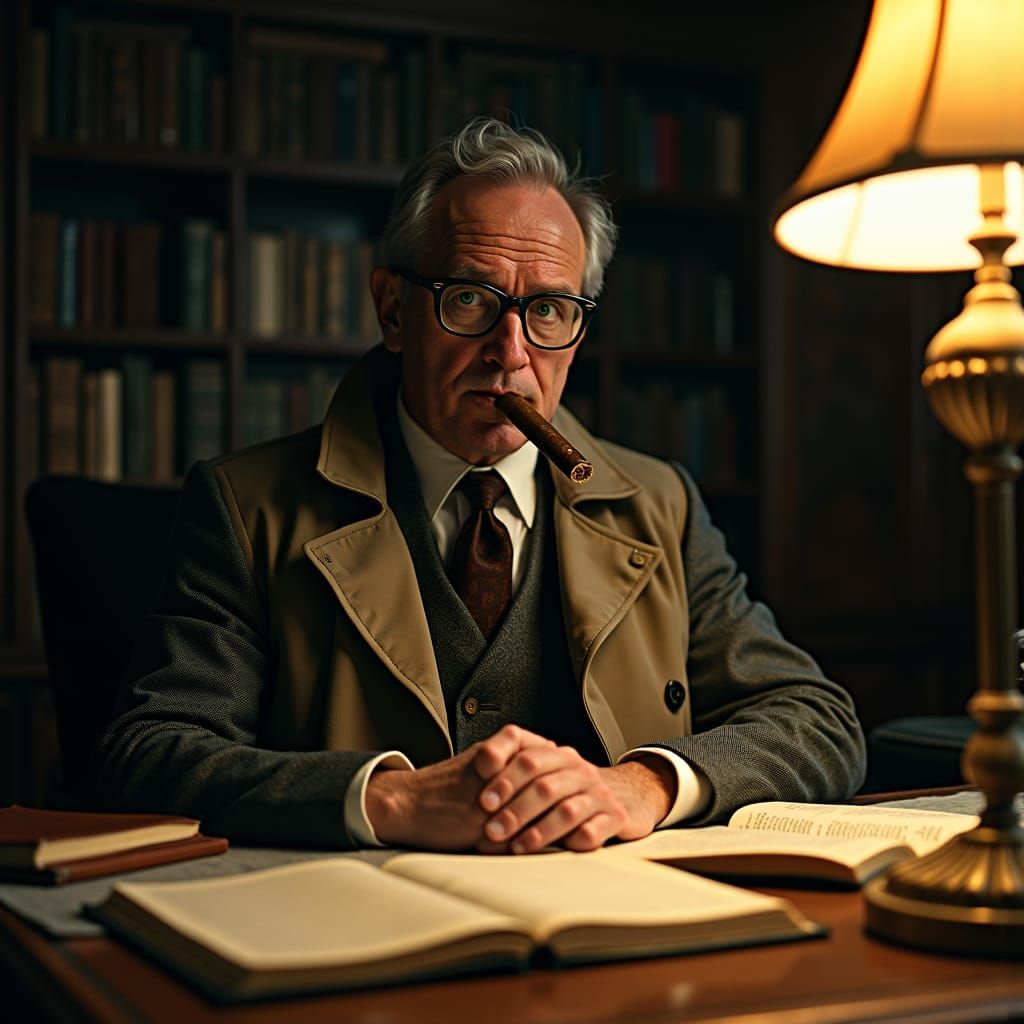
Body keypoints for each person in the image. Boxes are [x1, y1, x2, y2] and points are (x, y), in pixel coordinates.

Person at [94, 118, 866, 853]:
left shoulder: (660, 505)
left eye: (550, 310)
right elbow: (151, 753)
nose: (511, 352)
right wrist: (392, 800)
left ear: (579, 328)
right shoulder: (244, 505)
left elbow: (818, 722)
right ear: (394, 311)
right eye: (471, 300)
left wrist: (644, 786)